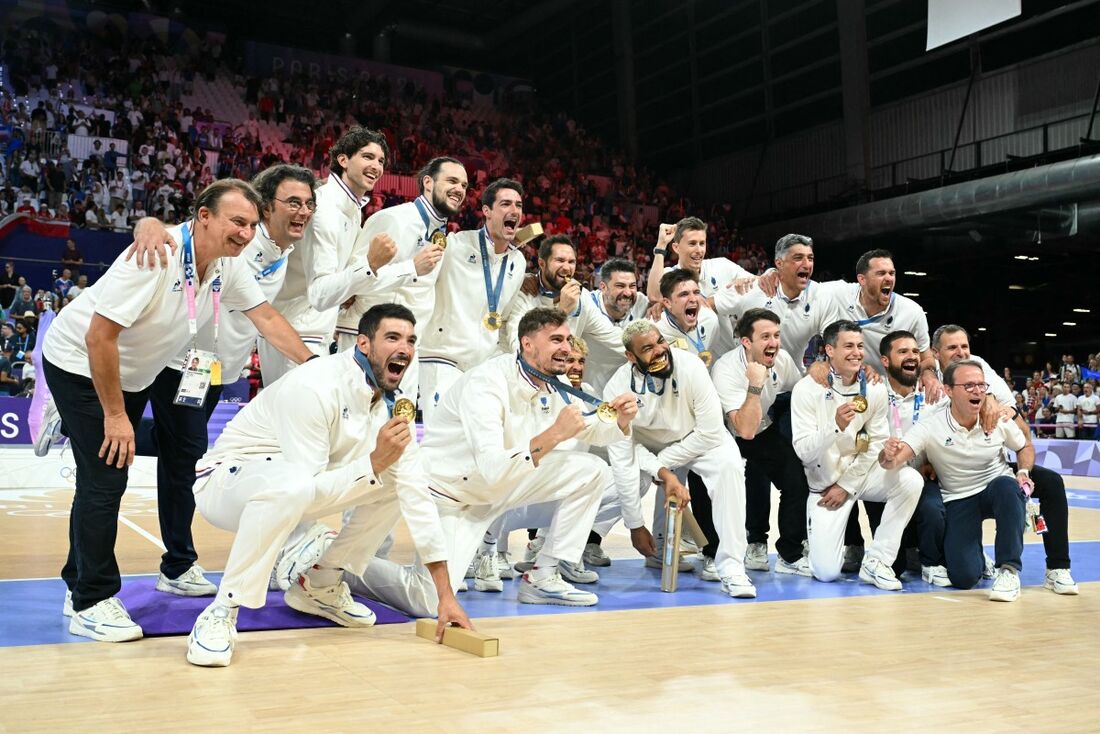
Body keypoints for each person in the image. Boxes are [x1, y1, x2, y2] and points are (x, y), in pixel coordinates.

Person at [40, 179, 314, 643]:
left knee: (105, 471)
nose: (246, 233)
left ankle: (78, 583)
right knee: (107, 477)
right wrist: (114, 415)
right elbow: (98, 338)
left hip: (133, 372)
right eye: (237, 222)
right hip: (81, 364)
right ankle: (91, 600)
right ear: (203, 216)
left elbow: (266, 318)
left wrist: (314, 367)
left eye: (251, 224)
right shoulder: (156, 255)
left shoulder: (227, 265)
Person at [186, 304, 470, 667]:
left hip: (296, 487)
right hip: (227, 483)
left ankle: (320, 584)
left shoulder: (391, 405)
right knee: (299, 484)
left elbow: (417, 499)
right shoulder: (316, 385)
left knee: (400, 481)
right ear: (364, 343)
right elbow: (304, 487)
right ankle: (222, 610)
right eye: (393, 337)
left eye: (412, 340)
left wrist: (444, 595)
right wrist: (372, 465)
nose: (405, 348)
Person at [120, 166, 325, 597]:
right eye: (292, 202)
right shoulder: (235, 242)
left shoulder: (282, 249)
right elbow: (173, 232)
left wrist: (313, 363)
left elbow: (267, 316)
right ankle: (177, 564)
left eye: (308, 203)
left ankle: (72, 424)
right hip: (178, 361)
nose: (303, 211)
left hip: (216, 370)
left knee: (180, 447)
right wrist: (148, 223)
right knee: (186, 457)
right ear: (265, 208)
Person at [350, 308, 637, 614]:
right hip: (452, 497)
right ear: (527, 344)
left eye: (567, 339)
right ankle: (340, 562)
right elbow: (492, 468)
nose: (567, 348)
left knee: (592, 471)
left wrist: (620, 421)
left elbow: (592, 429)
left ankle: (543, 575)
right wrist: (553, 435)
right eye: (556, 339)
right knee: (429, 601)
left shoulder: (556, 380)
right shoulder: (486, 383)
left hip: (500, 490)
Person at [603, 320, 757, 598]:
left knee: (730, 467)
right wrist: (635, 525)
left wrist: (663, 465)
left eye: (660, 341)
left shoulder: (691, 365)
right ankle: (573, 550)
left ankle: (733, 567)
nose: (660, 350)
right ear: (630, 356)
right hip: (650, 447)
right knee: (619, 483)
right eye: (647, 348)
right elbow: (624, 455)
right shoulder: (616, 388)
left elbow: (711, 432)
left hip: (700, 437)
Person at [928, 324, 1077, 594]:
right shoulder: (928, 378)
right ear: (936, 353)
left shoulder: (981, 368)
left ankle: (1058, 568)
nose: (961, 353)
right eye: (953, 348)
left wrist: (1023, 468)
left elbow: (1016, 424)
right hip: (952, 473)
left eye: (965, 346)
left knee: (1051, 482)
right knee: (963, 574)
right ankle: (968, 556)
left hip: (990, 466)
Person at [879, 360, 1029, 602]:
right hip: (959, 498)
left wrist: (1023, 472)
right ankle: (979, 558)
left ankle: (1009, 570)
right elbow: (894, 460)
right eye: (968, 385)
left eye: (981, 385)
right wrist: (887, 455)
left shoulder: (997, 418)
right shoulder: (931, 425)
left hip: (995, 488)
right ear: (948, 391)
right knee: (964, 577)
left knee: (1007, 486)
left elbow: (1024, 446)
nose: (977, 391)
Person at [790, 320, 922, 589]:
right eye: (848, 346)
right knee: (826, 572)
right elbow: (803, 451)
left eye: (860, 346)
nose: (856, 352)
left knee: (910, 480)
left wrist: (846, 485)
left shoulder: (873, 389)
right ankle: (813, 546)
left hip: (857, 478)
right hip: (824, 487)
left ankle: (877, 561)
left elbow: (876, 443)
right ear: (829, 350)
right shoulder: (806, 389)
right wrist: (834, 428)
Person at [260, 127, 397, 384]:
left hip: (314, 330)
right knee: (295, 422)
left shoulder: (352, 209)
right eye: (367, 157)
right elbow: (321, 293)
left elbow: (336, 283)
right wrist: (370, 265)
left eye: (380, 161)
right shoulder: (322, 207)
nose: (376, 166)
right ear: (343, 160)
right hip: (296, 331)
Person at [335, 157, 467, 371]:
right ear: (428, 183)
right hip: (369, 340)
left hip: (409, 344)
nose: (459, 189)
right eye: (451, 181)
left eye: (464, 185)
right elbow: (354, 280)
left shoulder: (441, 233)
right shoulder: (394, 218)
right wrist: (412, 268)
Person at [418, 177, 528, 425]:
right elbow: (418, 280)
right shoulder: (456, 245)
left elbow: (505, 317)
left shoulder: (518, 262)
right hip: (442, 359)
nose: (514, 211)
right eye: (506, 204)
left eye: (519, 205)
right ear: (487, 211)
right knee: (441, 438)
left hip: (482, 366)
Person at [711, 308, 810, 575]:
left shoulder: (783, 360)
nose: (774, 343)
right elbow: (743, 430)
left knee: (796, 483)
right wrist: (755, 385)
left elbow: (798, 391)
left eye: (777, 335)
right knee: (740, 480)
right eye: (765, 336)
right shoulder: (726, 370)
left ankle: (790, 554)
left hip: (760, 426)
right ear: (746, 342)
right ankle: (730, 547)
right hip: (722, 434)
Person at [645, 217, 759, 354]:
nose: (699, 250)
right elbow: (654, 296)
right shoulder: (670, 275)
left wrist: (744, 282)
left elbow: (760, 282)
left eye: (702, 243)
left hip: (723, 357)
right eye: (692, 244)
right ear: (676, 247)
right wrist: (661, 244)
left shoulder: (722, 266)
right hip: (688, 359)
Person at [582, 258, 649, 393]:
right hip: (590, 391)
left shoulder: (642, 303)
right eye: (620, 286)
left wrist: (658, 304)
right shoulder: (586, 304)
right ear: (603, 287)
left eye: (632, 286)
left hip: (628, 391)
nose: (628, 292)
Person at [653, 269, 719, 367]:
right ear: (667, 303)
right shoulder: (655, 330)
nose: (693, 299)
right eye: (684, 294)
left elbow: (711, 348)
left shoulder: (710, 319)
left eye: (696, 292)